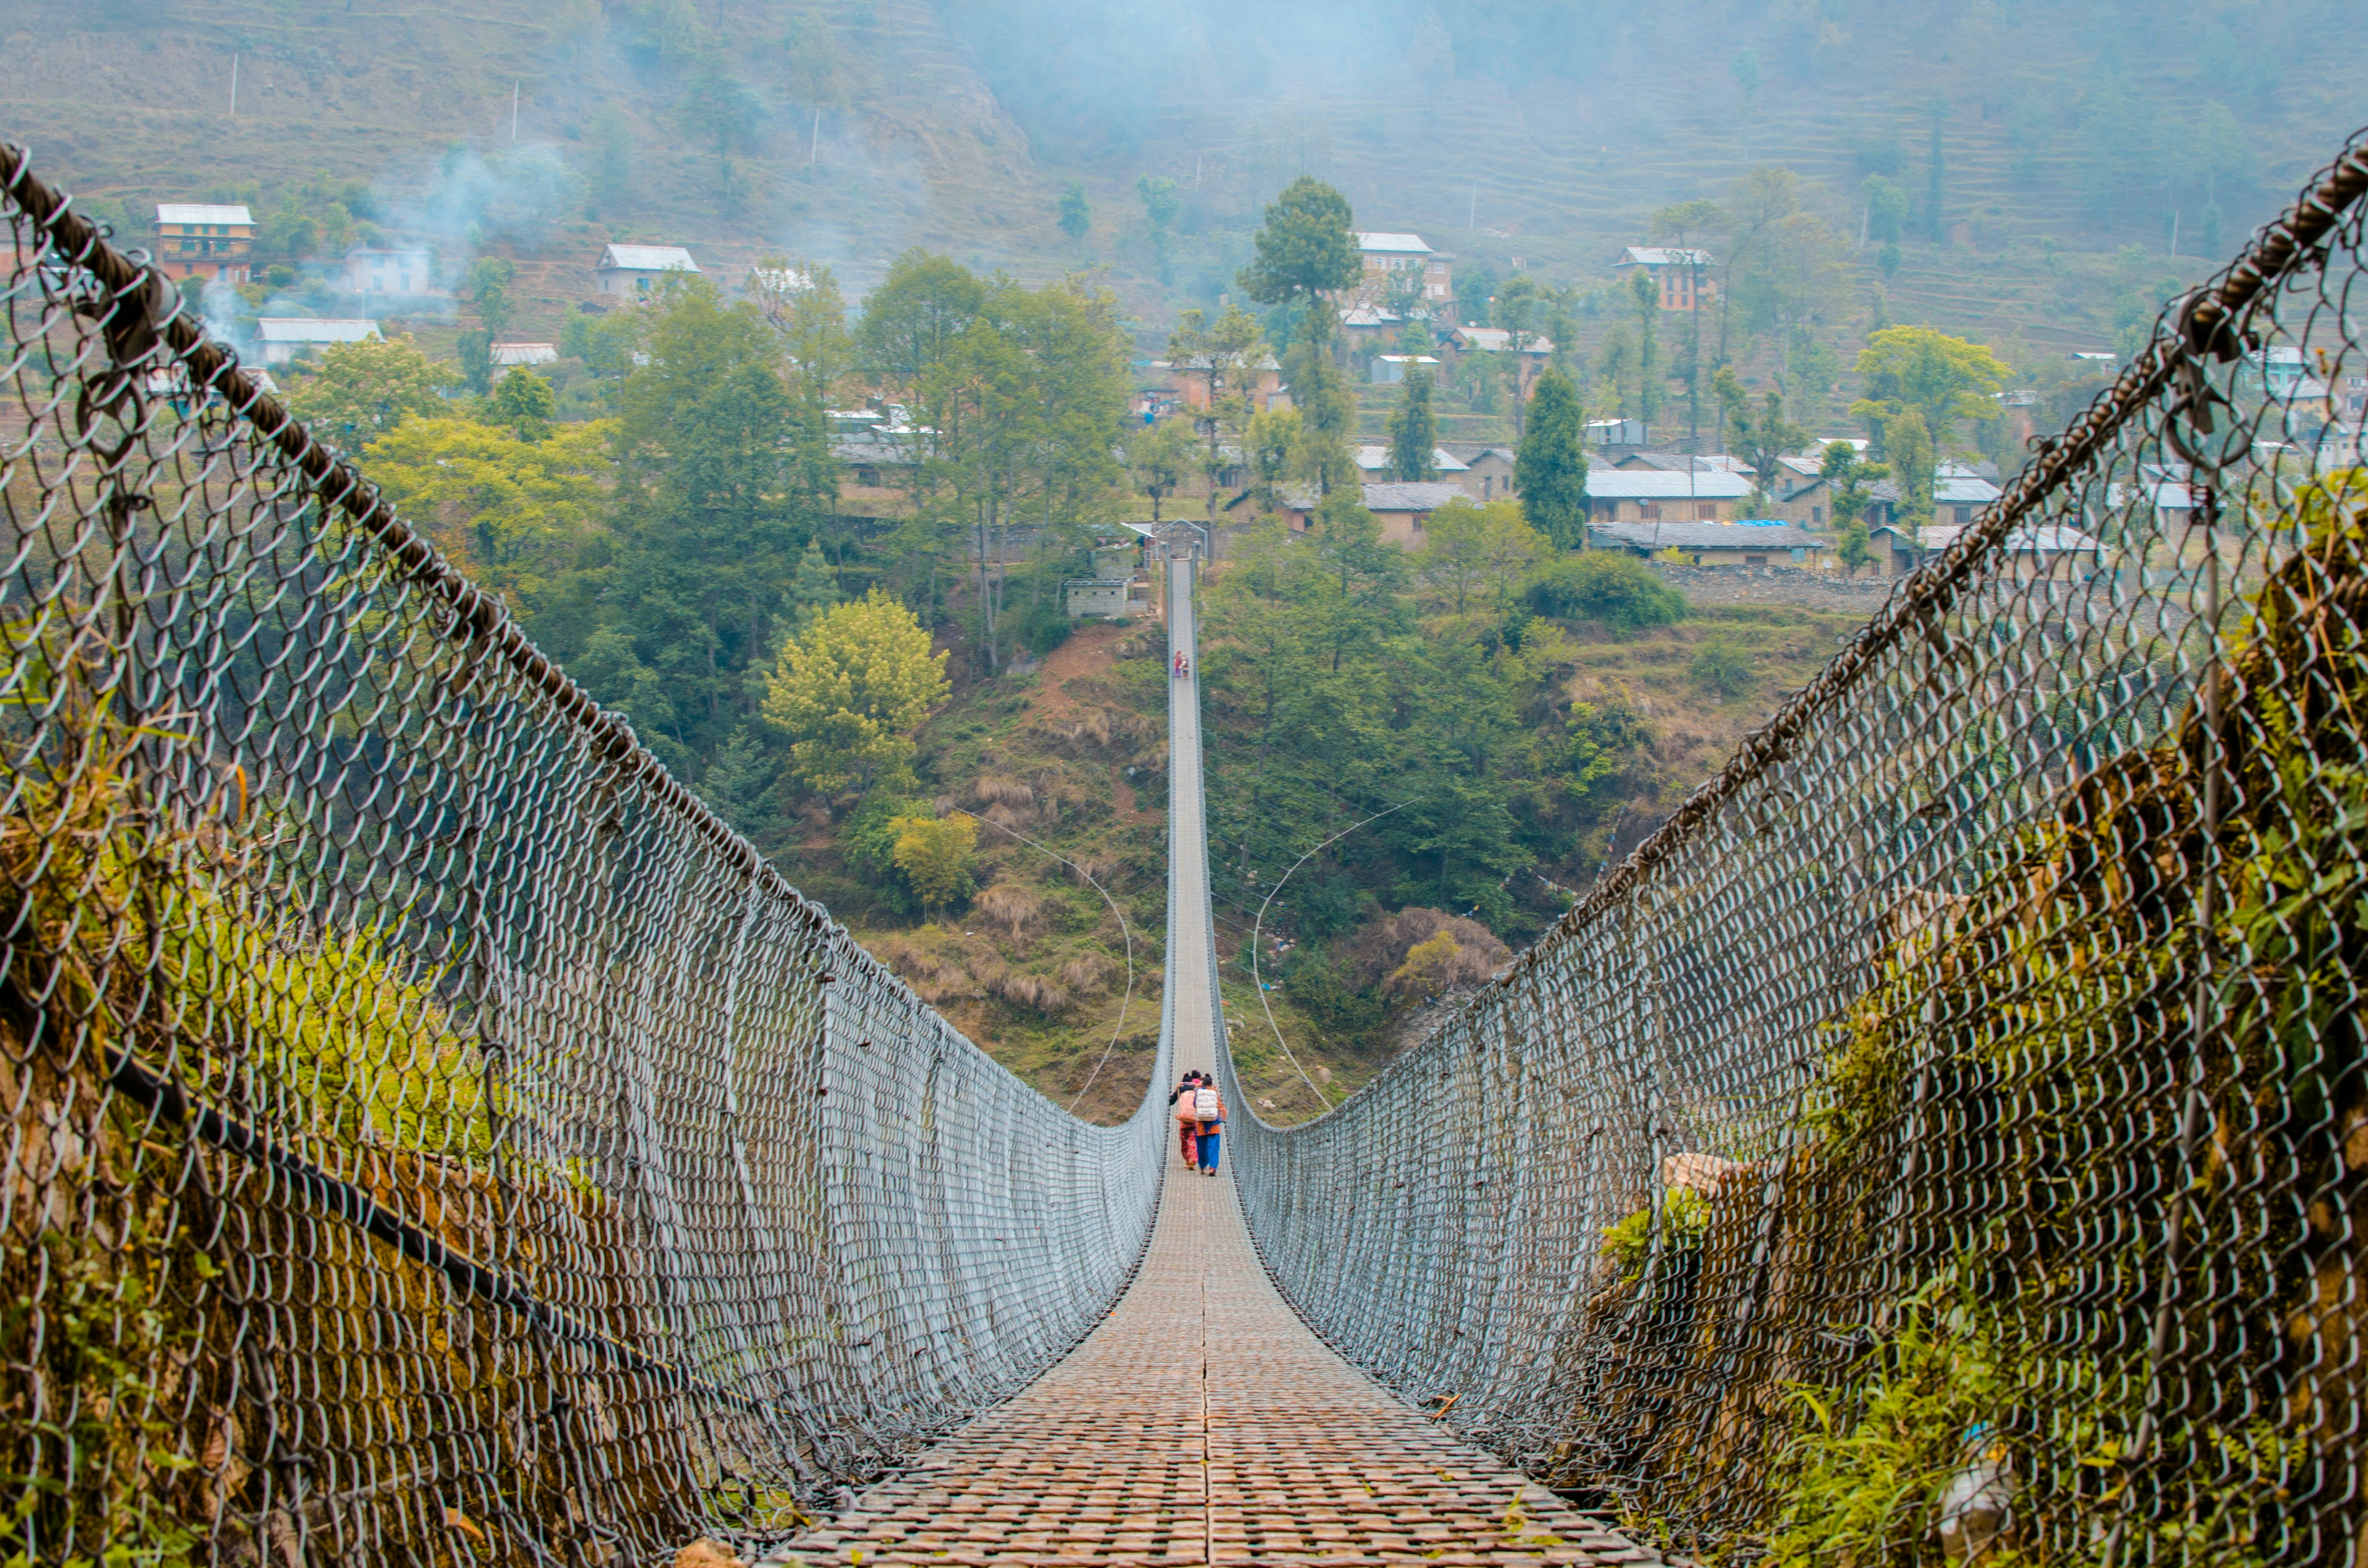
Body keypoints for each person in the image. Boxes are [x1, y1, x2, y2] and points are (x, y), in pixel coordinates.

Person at [1190, 1075, 1226, 1176]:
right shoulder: (1215, 1093)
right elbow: (1221, 1107)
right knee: (1214, 1147)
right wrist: (1223, 1118)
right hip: (1213, 1125)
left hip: (1201, 1124)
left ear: (1203, 1084)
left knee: (1202, 1147)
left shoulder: (1198, 1093)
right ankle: (1213, 1168)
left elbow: (1195, 1105)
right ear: (1211, 1084)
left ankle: (1202, 1167)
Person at [1169, 1071, 1203, 1167]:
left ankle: (1188, 1160)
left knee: (1185, 1140)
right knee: (1193, 1139)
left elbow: (1171, 1102)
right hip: (1195, 1118)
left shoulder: (1181, 1088)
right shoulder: (1197, 1088)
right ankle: (1194, 1158)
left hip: (1184, 1119)